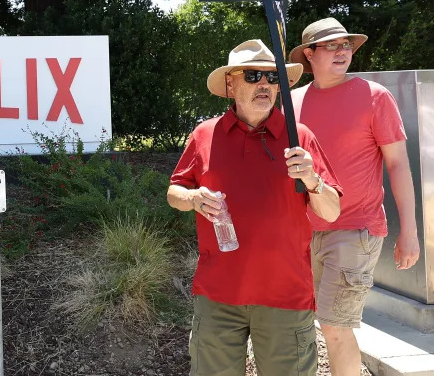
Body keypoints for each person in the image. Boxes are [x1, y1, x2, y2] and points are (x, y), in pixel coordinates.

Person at [168, 39, 342, 376]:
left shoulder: (299, 137)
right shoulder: (206, 134)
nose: (264, 84)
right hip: (218, 295)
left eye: (272, 77)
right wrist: (192, 199)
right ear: (230, 84)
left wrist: (312, 180)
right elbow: (175, 191)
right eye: (252, 76)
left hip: (285, 295)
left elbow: (331, 211)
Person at [289, 18, 420, 376]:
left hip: (355, 229)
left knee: (334, 325)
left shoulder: (375, 96)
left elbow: (398, 166)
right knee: (312, 325)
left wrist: (408, 231)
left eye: (346, 44)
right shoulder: (293, 102)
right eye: (332, 45)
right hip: (301, 232)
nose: (342, 51)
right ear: (309, 54)